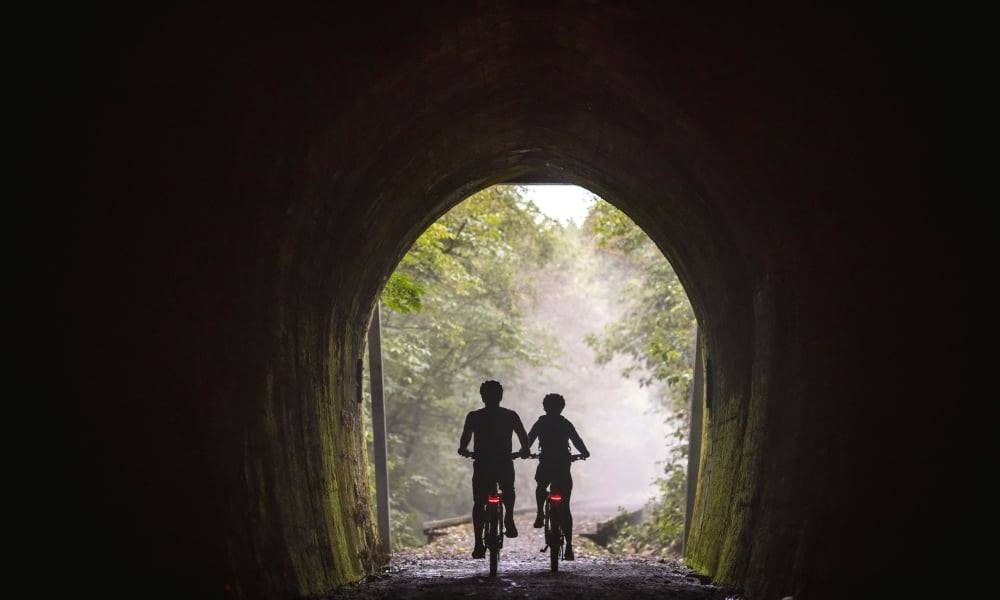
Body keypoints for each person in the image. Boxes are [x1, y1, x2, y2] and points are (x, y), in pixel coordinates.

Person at [457, 379, 531, 559]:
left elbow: (465, 438)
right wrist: (524, 451)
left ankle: (478, 544)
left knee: (479, 503)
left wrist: (464, 450)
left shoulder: (474, 416)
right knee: (508, 489)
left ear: (482, 396)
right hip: (504, 462)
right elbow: (523, 437)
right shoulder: (510, 415)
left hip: (482, 463)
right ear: (501, 396)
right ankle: (509, 519)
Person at [525, 392, 590, 561]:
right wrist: (584, 453)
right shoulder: (565, 423)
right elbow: (577, 440)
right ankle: (568, 546)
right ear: (562, 408)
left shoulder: (541, 422)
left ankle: (540, 514)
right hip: (562, 467)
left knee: (541, 486)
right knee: (565, 507)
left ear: (544, 407)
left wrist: (525, 452)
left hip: (546, 464)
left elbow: (529, 441)